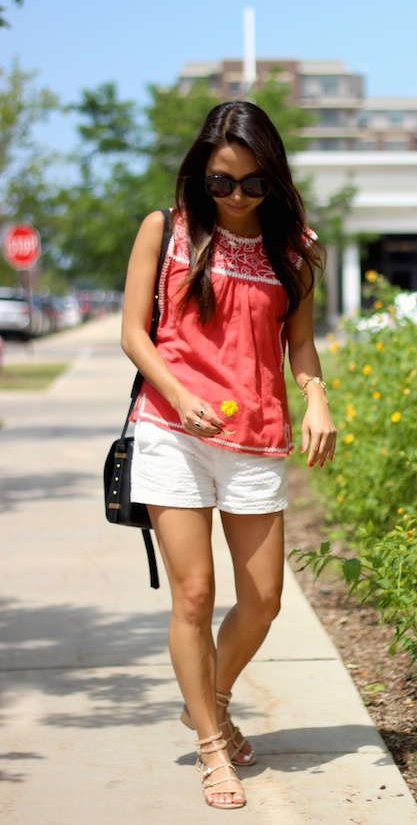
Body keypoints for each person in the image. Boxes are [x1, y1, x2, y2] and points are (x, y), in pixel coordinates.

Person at [121, 100, 337, 810]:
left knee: (264, 600)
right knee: (194, 594)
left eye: (251, 184)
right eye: (221, 182)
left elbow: (298, 343)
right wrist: (180, 397)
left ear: (273, 179)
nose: (236, 197)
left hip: (257, 437)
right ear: (200, 175)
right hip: (173, 431)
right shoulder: (169, 230)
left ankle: (208, 699)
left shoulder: (298, 247)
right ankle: (215, 748)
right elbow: (133, 334)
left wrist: (319, 398)